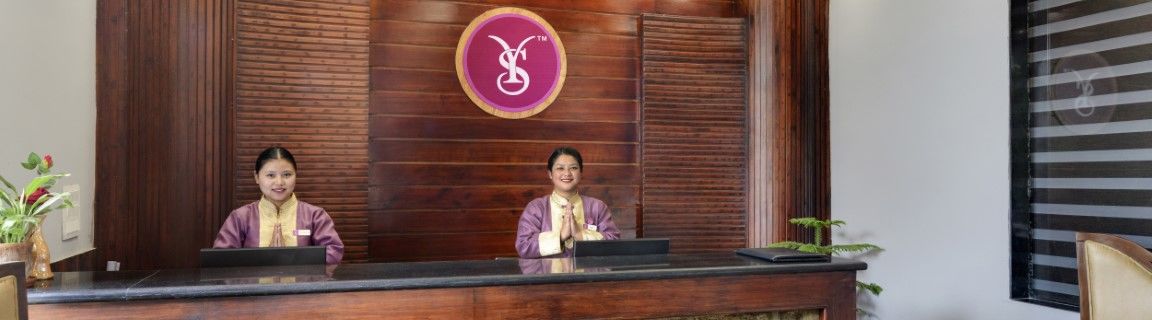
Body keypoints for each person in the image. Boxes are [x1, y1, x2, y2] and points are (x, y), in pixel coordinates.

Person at [213, 146, 345, 264]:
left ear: (296, 175)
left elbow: (334, 252)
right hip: (253, 290)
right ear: (257, 177)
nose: (279, 182)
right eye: (270, 175)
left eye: (287, 174)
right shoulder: (240, 217)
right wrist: (265, 258)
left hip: (304, 289)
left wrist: (291, 258)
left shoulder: (315, 215)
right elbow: (221, 258)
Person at [515, 146, 620, 258]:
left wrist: (581, 235)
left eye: (573, 168)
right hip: (546, 274)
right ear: (550, 173)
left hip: (590, 274)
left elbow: (614, 243)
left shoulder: (597, 207)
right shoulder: (536, 208)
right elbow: (523, 246)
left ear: (581, 172)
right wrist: (560, 236)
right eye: (560, 168)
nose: (567, 173)